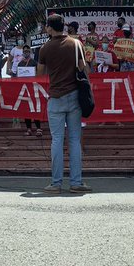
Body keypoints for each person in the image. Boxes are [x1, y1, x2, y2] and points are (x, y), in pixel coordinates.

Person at [36, 14, 91, 194]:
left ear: (50, 28)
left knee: (57, 140)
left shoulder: (44, 48)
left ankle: (56, 183)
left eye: (46, 26)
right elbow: (84, 68)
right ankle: (76, 182)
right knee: (75, 140)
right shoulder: (76, 44)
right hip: (74, 96)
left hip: (56, 98)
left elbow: (39, 73)